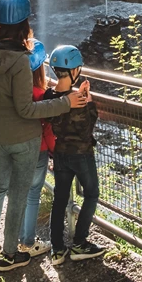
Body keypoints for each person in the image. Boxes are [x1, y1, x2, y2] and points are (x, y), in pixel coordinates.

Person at [0, 0, 89, 272]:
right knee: (19, 195)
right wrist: (66, 102)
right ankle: (9, 254)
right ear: (25, 24)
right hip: (24, 139)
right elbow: (26, 110)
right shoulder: (20, 60)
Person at [45, 45, 106, 266]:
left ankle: (57, 249)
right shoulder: (77, 99)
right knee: (91, 194)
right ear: (73, 71)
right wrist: (88, 98)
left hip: (60, 154)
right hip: (81, 156)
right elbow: (87, 126)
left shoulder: (50, 95)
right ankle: (80, 242)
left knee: (59, 200)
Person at [18, 39, 54, 258]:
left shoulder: (13, 91)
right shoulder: (41, 95)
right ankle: (28, 242)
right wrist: (54, 151)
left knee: (17, 193)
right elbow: (48, 129)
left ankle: (13, 239)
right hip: (37, 149)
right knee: (32, 195)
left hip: (15, 146)